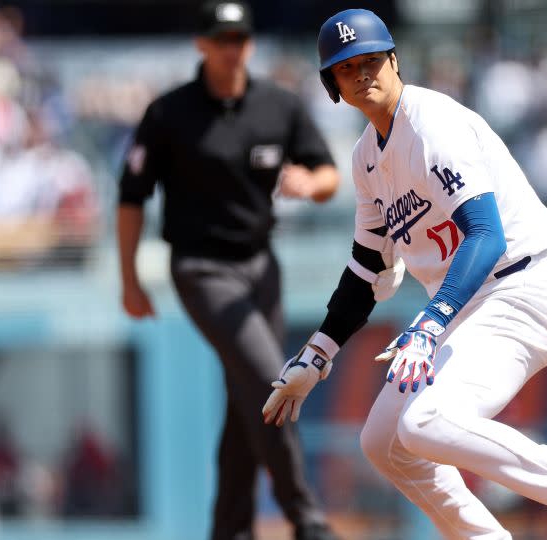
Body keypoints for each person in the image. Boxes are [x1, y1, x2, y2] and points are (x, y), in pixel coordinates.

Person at [260, 9, 547, 540]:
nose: (364, 74)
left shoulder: (431, 124)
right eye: (348, 69)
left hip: (521, 288)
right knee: (384, 441)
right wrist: (319, 351)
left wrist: (430, 322)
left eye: (373, 60)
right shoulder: (366, 157)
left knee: (426, 420)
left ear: (395, 61)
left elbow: (486, 235)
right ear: (333, 85)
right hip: (471, 304)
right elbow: (367, 265)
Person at [116, 2, 340, 539]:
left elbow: (327, 169)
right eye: (221, 39)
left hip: (262, 267)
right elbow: (130, 197)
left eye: (239, 38)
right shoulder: (169, 113)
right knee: (272, 380)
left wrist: (310, 186)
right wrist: (129, 277)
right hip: (201, 268)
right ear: (201, 44)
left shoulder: (277, 106)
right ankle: (304, 517)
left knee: (248, 402)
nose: (231, 48)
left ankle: (231, 529)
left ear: (251, 43)